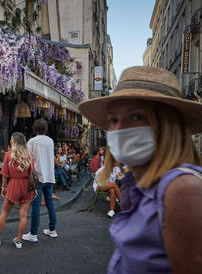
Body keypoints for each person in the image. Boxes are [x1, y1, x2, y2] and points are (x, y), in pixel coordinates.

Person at [78, 66, 202, 273]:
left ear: (166, 124)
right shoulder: (137, 184)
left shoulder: (181, 188)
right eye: (113, 120)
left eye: (136, 117)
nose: (118, 130)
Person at [0, 132, 35, 249]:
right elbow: (32, 174)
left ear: (15, 142)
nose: (10, 142)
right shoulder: (29, 155)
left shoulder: (9, 155)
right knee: (23, 215)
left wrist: (3, 187)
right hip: (26, 186)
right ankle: (19, 240)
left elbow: (4, 174)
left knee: (4, 213)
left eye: (11, 141)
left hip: (14, 184)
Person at [23, 119, 58, 243]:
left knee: (36, 205)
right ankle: (52, 230)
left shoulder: (32, 141)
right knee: (50, 203)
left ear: (35, 128)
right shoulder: (50, 141)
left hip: (37, 177)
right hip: (50, 176)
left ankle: (33, 233)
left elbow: (26, 157)